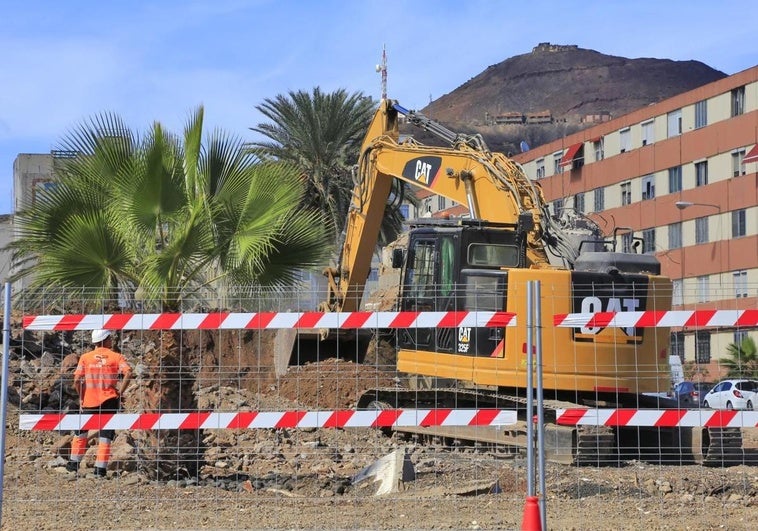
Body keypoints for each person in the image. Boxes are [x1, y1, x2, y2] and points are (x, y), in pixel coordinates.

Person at [65, 329, 132, 478]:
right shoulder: (116, 356)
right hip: (110, 401)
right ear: (106, 339)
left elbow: (76, 380)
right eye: (110, 339)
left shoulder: (85, 357)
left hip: (89, 401)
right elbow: (128, 372)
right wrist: (120, 391)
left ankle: (73, 464)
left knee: (81, 431)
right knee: (106, 435)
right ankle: (100, 469)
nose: (111, 341)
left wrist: (81, 396)